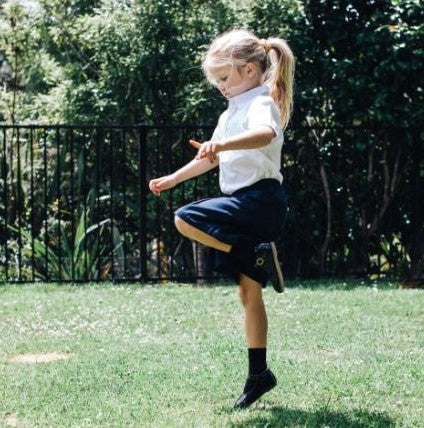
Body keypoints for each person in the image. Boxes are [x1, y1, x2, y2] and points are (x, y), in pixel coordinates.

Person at [149, 28, 294, 409]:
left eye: (225, 78)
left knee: (185, 217)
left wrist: (224, 144)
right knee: (249, 294)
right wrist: (173, 178)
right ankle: (259, 375)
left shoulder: (261, 103)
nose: (221, 87)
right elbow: (207, 157)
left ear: (249, 70)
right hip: (244, 206)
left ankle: (256, 250)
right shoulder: (230, 112)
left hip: (260, 201)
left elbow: (265, 133)